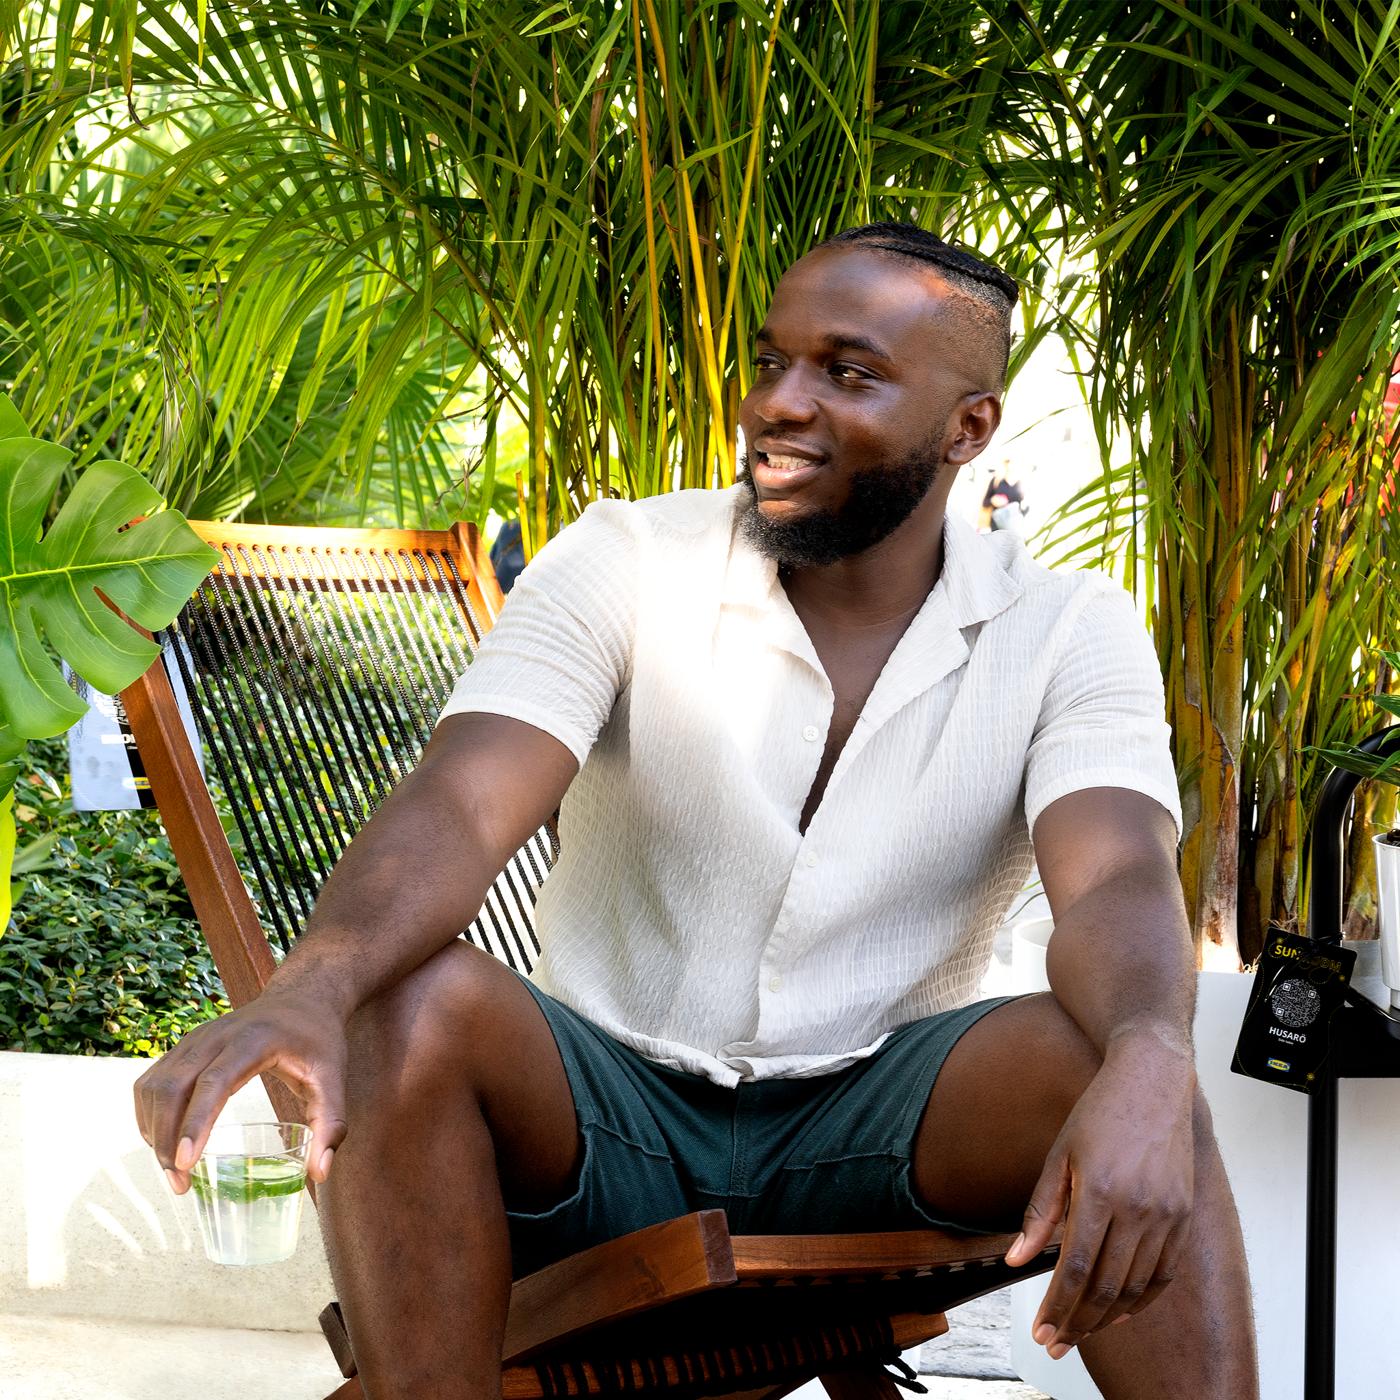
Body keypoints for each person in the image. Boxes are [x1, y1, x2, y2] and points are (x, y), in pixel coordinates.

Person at [133, 222, 1258, 1400]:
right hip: (603, 1127)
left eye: (848, 370)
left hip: (872, 1124)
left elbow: (1114, 876)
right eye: (770, 361)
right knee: (402, 996)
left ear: (967, 429)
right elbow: (462, 802)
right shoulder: (626, 556)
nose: (780, 400)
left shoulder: (1066, 626)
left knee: (1124, 1063)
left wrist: (1147, 1050)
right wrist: (314, 982)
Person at [979, 458, 1027, 533]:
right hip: (997, 526)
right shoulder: (997, 481)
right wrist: (993, 500)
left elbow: (1024, 510)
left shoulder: (1021, 484)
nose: (1011, 465)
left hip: (1013, 527)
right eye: (1009, 462)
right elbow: (985, 503)